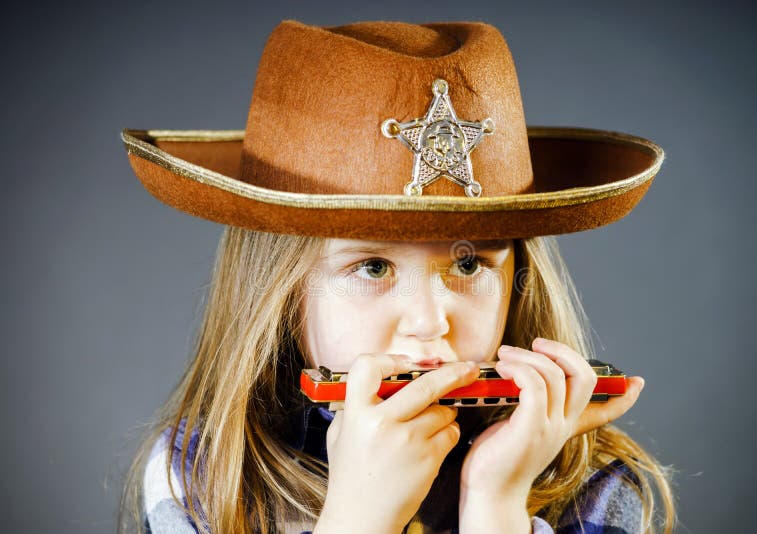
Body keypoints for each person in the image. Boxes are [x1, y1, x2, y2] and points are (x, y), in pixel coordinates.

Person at [117, 19, 676, 534]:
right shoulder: (200, 479)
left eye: (467, 264)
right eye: (374, 266)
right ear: (281, 293)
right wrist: (357, 520)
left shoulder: (593, 486)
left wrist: (497, 502)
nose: (430, 323)